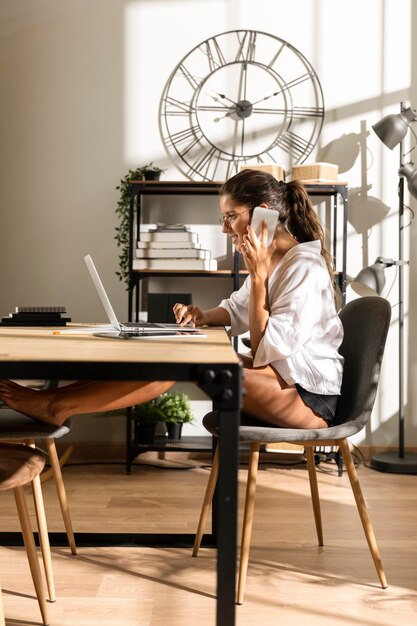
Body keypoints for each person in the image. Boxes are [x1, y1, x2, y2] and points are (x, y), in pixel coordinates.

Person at [0, 169, 343, 429]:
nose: (225, 229)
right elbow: (238, 310)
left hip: (309, 400)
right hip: (282, 381)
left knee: (186, 363)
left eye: (230, 217)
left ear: (263, 213)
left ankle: (56, 407)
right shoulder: (276, 259)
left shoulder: (304, 267)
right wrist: (204, 315)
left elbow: (265, 345)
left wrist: (257, 277)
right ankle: (53, 400)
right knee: (173, 353)